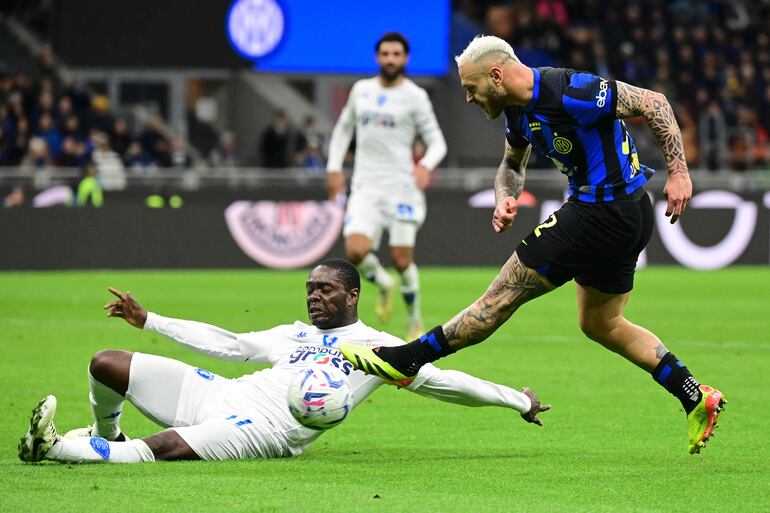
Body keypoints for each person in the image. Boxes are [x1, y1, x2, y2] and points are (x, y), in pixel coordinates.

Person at [340, 36, 725, 455]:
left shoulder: (570, 89)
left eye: (471, 88)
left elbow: (654, 102)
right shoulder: (517, 112)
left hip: (602, 210)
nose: (468, 98)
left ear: (497, 76)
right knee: (601, 323)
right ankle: (693, 393)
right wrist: (506, 194)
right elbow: (511, 164)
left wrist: (679, 173)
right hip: (627, 214)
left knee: (500, 297)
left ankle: (406, 358)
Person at [18, 259, 549, 464]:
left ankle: (55, 449)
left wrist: (516, 400)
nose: (314, 297)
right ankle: (103, 435)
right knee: (106, 362)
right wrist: (150, 321)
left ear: (353, 296)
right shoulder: (292, 333)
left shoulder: (379, 350)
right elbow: (227, 343)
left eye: (325, 290)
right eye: (310, 289)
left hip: (264, 430)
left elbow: (445, 381)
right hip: (223, 393)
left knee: (159, 448)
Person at [327, 32, 447, 341]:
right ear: (377, 57)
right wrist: (334, 167)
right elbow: (343, 130)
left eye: (396, 54)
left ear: (405, 58)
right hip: (366, 184)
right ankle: (383, 282)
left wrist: (425, 166)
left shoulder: (415, 96)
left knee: (401, 259)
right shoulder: (361, 90)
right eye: (385, 54)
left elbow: (437, 143)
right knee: (355, 250)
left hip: (401, 186)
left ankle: (414, 319)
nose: (390, 59)